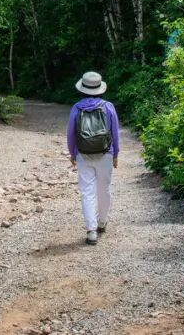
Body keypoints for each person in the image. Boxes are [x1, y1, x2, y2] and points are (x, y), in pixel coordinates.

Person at [66, 71, 120, 245]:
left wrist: (73, 153)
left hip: (83, 154)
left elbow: (70, 134)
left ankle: (91, 231)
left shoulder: (76, 108)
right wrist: (116, 153)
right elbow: (115, 133)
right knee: (104, 189)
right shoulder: (108, 106)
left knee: (87, 192)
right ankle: (102, 222)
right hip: (105, 153)